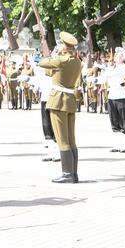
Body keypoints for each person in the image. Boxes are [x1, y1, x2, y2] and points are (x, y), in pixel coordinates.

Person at [39, 33, 83, 183]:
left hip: (58, 101)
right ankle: (74, 173)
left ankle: (67, 174)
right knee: (71, 140)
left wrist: (53, 53)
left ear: (64, 46)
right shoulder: (76, 61)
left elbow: (42, 62)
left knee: (62, 139)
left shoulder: (60, 59)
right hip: (70, 100)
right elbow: (51, 72)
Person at [105, 48, 125, 153]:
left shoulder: (124, 68)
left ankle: (124, 144)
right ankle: (116, 144)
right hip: (112, 96)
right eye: (117, 56)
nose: (118, 58)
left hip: (122, 97)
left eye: (120, 56)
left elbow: (110, 74)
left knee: (124, 120)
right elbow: (105, 77)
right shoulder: (111, 68)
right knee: (114, 121)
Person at [33, 63, 59, 162]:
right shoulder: (42, 76)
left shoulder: (56, 74)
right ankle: (50, 153)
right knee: (46, 126)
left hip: (53, 101)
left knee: (54, 127)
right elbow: (35, 81)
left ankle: (57, 154)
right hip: (44, 101)